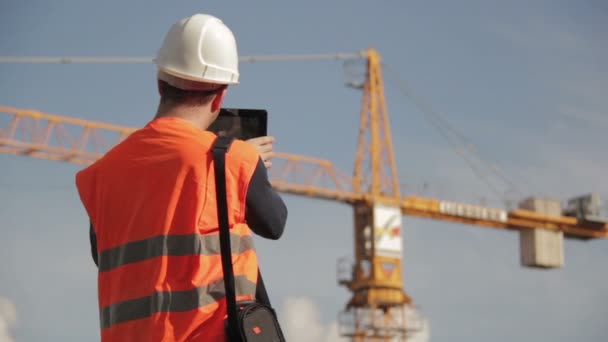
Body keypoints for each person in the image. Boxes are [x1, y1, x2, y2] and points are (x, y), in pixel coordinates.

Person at [75, 13, 288, 342]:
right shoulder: (234, 159)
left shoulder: (103, 173)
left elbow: (103, 254)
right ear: (220, 96)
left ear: (160, 83)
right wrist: (250, 163)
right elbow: (275, 222)